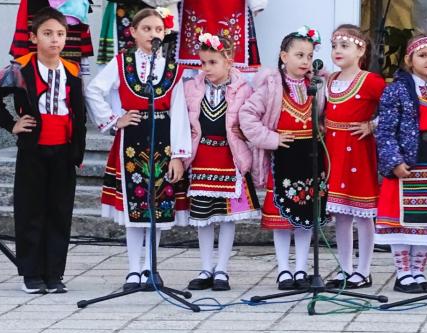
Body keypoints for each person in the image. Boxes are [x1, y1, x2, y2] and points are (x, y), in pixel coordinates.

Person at [85, 7, 191, 291]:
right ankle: (133, 269)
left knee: (156, 207)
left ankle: (150, 267)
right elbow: (94, 89)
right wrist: (113, 120)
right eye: (146, 29)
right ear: (132, 32)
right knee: (135, 209)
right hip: (131, 141)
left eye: (158, 29)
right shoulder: (121, 63)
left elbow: (180, 113)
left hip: (163, 142)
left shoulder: (174, 69)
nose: (153, 34)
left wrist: (179, 156)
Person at [0, 7, 87, 294]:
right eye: (48, 34)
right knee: (31, 211)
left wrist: (78, 150)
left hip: (63, 150)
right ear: (34, 37)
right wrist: (12, 125)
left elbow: (78, 113)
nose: (55, 40)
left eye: (61, 34)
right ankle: (32, 273)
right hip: (33, 150)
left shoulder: (72, 71)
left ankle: (54, 273)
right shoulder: (19, 69)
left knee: (59, 212)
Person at [239, 26, 327, 290]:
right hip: (283, 160)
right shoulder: (271, 85)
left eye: (309, 56)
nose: (305, 61)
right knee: (282, 219)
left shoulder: (318, 85)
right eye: (299, 55)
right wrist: (272, 138)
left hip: (311, 157)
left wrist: (321, 126)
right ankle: (284, 270)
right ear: (283, 56)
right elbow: (247, 116)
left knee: (305, 217)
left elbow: (325, 114)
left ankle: (301, 269)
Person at [183, 33, 260, 292]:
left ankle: (222, 269)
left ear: (228, 61)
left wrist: (246, 135)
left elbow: (251, 118)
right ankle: (206, 267)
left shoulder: (243, 88)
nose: (206, 68)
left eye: (212, 62)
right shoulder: (192, 88)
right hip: (202, 156)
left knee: (227, 217)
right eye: (203, 63)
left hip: (229, 157)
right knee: (203, 216)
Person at [375, 35, 427, 294]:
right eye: (423, 55)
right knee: (401, 221)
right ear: (409, 60)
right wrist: (393, 161)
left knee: (426, 220)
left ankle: (418, 271)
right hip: (406, 163)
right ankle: (403, 273)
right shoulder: (396, 89)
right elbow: (384, 131)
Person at [323, 24, 386, 289]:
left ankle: (364, 269)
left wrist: (372, 125)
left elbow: (396, 108)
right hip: (334, 154)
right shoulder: (329, 81)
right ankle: (345, 268)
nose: (338, 51)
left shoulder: (371, 81)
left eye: (344, 45)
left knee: (362, 213)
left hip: (358, 153)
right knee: (341, 215)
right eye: (335, 46)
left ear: (360, 50)